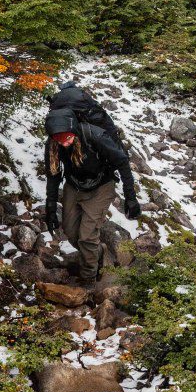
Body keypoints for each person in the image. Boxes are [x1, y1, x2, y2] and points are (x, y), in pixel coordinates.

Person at [43, 100, 141, 286]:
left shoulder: (95, 136)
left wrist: (131, 198)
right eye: (58, 138)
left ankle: (89, 278)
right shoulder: (53, 144)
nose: (63, 142)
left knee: (87, 236)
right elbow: (53, 175)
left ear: (74, 128)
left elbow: (122, 163)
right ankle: (97, 252)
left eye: (66, 136)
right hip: (74, 185)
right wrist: (50, 205)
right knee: (71, 232)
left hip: (101, 186)